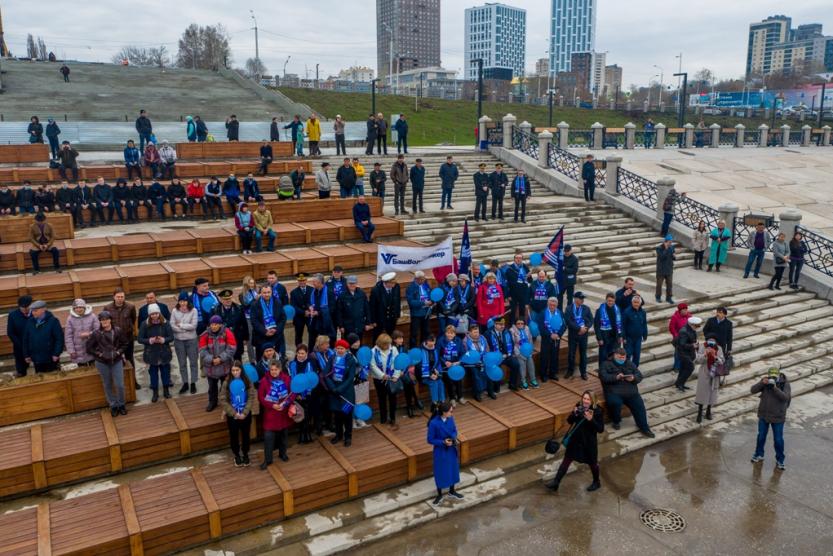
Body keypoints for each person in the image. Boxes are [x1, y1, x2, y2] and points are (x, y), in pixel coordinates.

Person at [546, 391, 605, 492]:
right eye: (584, 398)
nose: (585, 401)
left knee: (593, 463)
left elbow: (600, 429)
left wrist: (591, 419)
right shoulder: (579, 406)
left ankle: (596, 482)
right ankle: (556, 482)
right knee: (567, 459)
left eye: (588, 399)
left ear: (593, 400)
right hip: (576, 439)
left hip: (588, 442)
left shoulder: (598, 411)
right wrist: (574, 413)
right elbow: (570, 421)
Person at [600, 349, 654, 437]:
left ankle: (644, 428)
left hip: (631, 392)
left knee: (640, 406)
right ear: (615, 355)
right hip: (614, 391)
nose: (622, 359)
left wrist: (633, 378)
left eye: (623, 357)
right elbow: (603, 377)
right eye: (620, 357)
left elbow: (639, 375)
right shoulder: (605, 364)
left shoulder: (630, 363)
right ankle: (616, 421)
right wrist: (615, 377)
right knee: (614, 403)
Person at [87, 310, 129, 416]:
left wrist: (118, 352)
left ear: (110, 320)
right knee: (107, 385)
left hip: (116, 361)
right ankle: (113, 405)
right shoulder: (96, 333)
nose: (104, 321)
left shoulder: (118, 331)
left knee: (119, 385)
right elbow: (89, 348)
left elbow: (125, 344)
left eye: (106, 319)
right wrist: (100, 354)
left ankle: (122, 404)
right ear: (100, 321)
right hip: (102, 363)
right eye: (102, 320)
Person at [750, 367, 791, 470]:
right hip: (764, 415)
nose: (772, 378)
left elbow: (785, 398)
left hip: (778, 417)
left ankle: (780, 460)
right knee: (761, 436)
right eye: (770, 376)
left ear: (778, 375)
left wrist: (774, 388)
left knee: (778, 439)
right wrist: (762, 383)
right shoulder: (765, 381)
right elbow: (752, 390)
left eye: (774, 376)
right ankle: (759, 454)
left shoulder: (784, 383)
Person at [259, 360, 295, 466]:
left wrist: (285, 403)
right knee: (268, 437)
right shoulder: (264, 381)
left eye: (276, 369)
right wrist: (272, 405)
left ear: (280, 369)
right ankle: (268, 459)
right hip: (271, 414)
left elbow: (292, 393)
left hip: (283, 413)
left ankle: (282, 454)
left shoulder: (287, 379)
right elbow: (261, 397)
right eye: (272, 369)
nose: (274, 372)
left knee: (284, 435)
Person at [220, 361, 256, 466]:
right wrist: (233, 413)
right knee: (234, 435)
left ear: (241, 370)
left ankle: (245, 454)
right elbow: (223, 399)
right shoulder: (227, 382)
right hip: (233, 415)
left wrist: (245, 412)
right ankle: (236, 455)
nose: (235, 372)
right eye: (233, 370)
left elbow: (251, 397)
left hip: (245, 414)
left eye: (237, 370)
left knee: (245, 435)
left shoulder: (247, 381)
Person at [427, 401, 462, 504]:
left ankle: (452, 490)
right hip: (440, 450)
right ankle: (439, 494)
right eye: (450, 411)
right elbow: (430, 440)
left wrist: (453, 437)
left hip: (451, 448)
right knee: (440, 471)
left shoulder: (451, 418)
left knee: (452, 469)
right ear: (444, 412)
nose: (452, 413)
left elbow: (455, 430)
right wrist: (443, 442)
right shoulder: (434, 423)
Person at [137, 303, 174, 402]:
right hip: (151, 353)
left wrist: (163, 340)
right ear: (149, 315)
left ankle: (166, 391)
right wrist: (150, 340)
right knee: (153, 374)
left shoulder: (166, 323)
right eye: (152, 314)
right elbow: (139, 339)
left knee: (165, 373)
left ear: (159, 313)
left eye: (156, 313)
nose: (154, 316)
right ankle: (155, 393)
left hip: (164, 352)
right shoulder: (144, 324)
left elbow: (171, 337)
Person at [200, 315, 237, 412]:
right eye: (212, 324)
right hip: (211, 368)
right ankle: (212, 402)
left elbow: (232, 348)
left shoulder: (227, 333)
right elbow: (202, 351)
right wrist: (212, 359)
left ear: (220, 325)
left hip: (225, 367)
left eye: (216, 324)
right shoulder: (205, 335)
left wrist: (220, 359)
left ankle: (227, 402)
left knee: (226, 386)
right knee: (212, 387)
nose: (213, 326)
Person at [324, 339, 357, 446]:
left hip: (346, 393)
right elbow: (326, 374)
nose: (339, 350)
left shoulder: (351, 360)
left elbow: (350, 377)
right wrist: (333, 388)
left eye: (342, 348)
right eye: (338, 348)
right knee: (337, 415)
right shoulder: (332, 358)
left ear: (346, 349)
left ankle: (348, 437)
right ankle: (338, 435)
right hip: (334, 392)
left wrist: (340, 389)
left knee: (347, 415)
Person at [22, 300, 64, 373]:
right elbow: (26, 339)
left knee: (54, 379)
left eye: (35, 311)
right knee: (40, 379)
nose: (33, 313)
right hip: (36, 359)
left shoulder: (53, 321)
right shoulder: (30, 322)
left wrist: (56, 353)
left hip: (51, 358)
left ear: (43, 310)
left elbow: (59, 339)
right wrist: (26, 355)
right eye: (32, 311)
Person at [171, 292, 199, 395]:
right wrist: (185, 328)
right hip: (179, 341)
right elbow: (172, 325)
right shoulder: (174, 311)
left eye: (185, 301)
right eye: (181, 301)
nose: (183, 303)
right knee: (182, 363)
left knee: (193, 362)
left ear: (188, 301)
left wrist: (181, 326)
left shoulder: (194, 310)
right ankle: (185, 382)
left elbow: (194, 326)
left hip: (191, 340)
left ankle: (193, 383)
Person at [371, 333, 402, 426]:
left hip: (392, 378)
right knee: (382, 398)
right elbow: (372, 366)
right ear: (380, 343)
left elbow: (398, 362)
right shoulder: (373, 351)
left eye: (389, 344)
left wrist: (396, 376)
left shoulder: (394, 349)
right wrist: (382, 375)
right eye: (386, 344)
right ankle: (383, 418)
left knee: (393, 398)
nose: (388, 346)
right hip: (379, 379)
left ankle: (392, 418)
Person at [250, 284, 286, 360]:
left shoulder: (278, 302)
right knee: (261, 359)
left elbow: (283, 318)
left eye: (268, 292)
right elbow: (254, 321)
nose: (267, 294)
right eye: (264, 293)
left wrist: (276, 329)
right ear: (261, 293)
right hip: (261, 337)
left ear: (271, 292)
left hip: (275, 336)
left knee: (275, 359)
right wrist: (265, 331)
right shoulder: (255, 305)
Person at [695, 336, 724, 423]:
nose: (711, 342)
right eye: (710, 340)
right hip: (704, 373)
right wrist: (705, 354)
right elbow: (697, 360)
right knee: (702, 393)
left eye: (713, 340)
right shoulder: (702, 346)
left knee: (712, 393)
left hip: (715, 374)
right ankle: (699, 413)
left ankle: (708, 411)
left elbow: (722, 361)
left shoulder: (719, 348)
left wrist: (715, 356)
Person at [537, 296, 566, 382]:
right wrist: (550, 335)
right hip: (546, 338)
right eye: (551, 304)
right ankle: (543, 374)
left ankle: (552, 373)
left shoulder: (560, 313)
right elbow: (541, 327)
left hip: (557, 338)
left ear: (557, 305)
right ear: (548, 304)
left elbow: (564, 325)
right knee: (544, 357)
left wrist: (558, 334)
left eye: (554, 304)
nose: (552, 306)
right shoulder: (543, 313)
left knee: (554, 356)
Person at [565, 292, 593, 380]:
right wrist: (578, 329)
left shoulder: (586, 308)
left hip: (583, 335)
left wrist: (586, 328)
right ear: (575, 299)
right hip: (573, 334)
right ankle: (570, 371)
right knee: (571, 353)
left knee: (583, 354)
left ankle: (583, 372)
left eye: (583, 298)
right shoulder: (569, 309)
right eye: (581, 298)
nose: (582, 300)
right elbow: (568, 321)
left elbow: (591, 320)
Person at [486, 317, 519, 391]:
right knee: (496, 367)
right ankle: (496, 387)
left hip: (506, 355)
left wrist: (508, 354)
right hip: (495, 357)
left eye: (503, 324)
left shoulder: (507, 332)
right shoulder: (488, 333)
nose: (502, 326)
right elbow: (487, 348)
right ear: (495, 325)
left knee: (516, 364)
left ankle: (512, 384)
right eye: (500, 324)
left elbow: (512, 344)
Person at [64, 298, 99, 367]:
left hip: (92, 348)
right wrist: (71, 351)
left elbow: (98, 330)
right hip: (78, 351)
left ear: (84, 307)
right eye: (76, 308)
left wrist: (89, 334)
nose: (78, 309)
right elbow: (68, 336)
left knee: (94, 370)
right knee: (83, 370)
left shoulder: (92, 316)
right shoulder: (70, 319)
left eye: (80, 307)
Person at [308, 273, 337, 347]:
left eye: (314, 281)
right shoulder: (313, 292)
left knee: (325, 344)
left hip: (325, 323)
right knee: (312, 342)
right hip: (314, 322)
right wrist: (310, 307)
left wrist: (319, 313)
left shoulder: (329, 292)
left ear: (320, 282)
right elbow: (310, 303)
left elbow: (332, 308)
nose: (313, 283)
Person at [406, 270, 434, 348]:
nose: (423, 280)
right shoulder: (410, 287)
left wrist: (432, 301)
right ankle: (413, 349)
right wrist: (423, 303)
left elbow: (431, 295)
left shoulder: (426, 285)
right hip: (416, 314)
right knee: (414, 333)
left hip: (426, 313)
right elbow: (411, 302)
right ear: (416, 279)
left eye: (424, 278)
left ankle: (423, 348)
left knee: (426, 332)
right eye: (422, 279)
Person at [370, 272, 400, 341]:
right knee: (378, 338)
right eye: (392, 283)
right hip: (379, 319)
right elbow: (372, 307)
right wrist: (373, 321)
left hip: (392, 318)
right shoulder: (376, 290)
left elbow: (397, 301)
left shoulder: (396, 287)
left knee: (390, 337)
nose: (394, 285)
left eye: (394, 283)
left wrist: (397, 315)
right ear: (386, 282)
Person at [7, 296, 33, 377]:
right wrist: (22, 346)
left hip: (36, 345)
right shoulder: (13, 315)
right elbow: (10, 333)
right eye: (22, 307)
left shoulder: (36, 313)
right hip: (20, 347)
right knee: (21, 372)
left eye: (27, 307)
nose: (25, 309)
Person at [437, 325, 464, 403]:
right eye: (448, 333)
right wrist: (445, 362)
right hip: (445, 365)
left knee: (458, 378)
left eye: (452, 333)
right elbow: (438, 355)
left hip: (456, 363)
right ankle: (452, 398)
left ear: (455, 334)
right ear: (445, 333)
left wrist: (459, 361)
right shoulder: (440, 341)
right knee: (448, 380)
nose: (450, 335)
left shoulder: (458, 340)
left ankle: (460, 396)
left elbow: (462, 353)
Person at [594, 292, 623, 365]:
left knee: (614, 357)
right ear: (606, 300)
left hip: (615, 338)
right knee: (603, 357)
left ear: (614, 301)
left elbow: (620, 324)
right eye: (609, 301)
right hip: (604, 338)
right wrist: (599, 338)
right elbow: (596, 325)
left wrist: (620, 336)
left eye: (612, 301)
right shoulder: (600, 310)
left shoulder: (617, 309)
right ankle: (602, 373)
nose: (610, 302)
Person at [674, 316, 701, 392]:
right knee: (690, 368)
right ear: (691, 324)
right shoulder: (684, 331)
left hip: (689, 353)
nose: (697, 327)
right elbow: (682, 344)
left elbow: (693, 339)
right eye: (696, 326)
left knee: (683, 368)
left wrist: (696, 343)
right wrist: (693, 345)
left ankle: (679, 384)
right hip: (683, 353)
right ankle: (680, 383)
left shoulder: (692, 330)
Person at [418, 335, 445, 410]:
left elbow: (438, 363)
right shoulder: (420, 350)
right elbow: (419, 366)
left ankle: (441, 402)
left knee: (440, 382)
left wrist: (438, 373)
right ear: (426, 341)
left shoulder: (436, 349)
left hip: (434, 373)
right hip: (423, 375)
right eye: (430, 341)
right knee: (434, 383)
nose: (432, 343)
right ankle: (435, 404)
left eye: (434, 341)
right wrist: (430, 375)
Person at [509, 318, 537, 389]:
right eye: (518, 323)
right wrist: (519, 354)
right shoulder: (512, 331)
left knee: (531, 363)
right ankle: (523, 381)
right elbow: (513, 344)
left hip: (527, 351)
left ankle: (533, 379)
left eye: (522, 323)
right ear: (515, 324)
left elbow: (530, 340)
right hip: (518, 352)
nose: (520, 325)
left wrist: (530, 351)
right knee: (522, 364)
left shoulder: (527, 328)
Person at [504, 252, 530, 323]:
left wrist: (529, 276)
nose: (518, 259)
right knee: (513, 310)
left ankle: (522, 325)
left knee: (522, 310)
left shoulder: (525, 267)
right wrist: (508, 295)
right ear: (514, 259)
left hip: (523, 293)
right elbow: (506, 283)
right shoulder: (510, 269)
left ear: (522, 259)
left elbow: (530, 280)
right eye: (517, 258)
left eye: (520, 258)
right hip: (513, 293)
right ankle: (512, 325)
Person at [622, 295, 648, 366]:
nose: (636, 304)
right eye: (634, 302)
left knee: (637, 355)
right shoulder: (626, 312)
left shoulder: (643, 312)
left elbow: (644, 324)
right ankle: (626, 369)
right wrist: (623, 337)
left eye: (637, 302)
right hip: (628, 338)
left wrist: (645, 334)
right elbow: (623, 325)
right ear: (632, 302)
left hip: (638, 338)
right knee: (628, 354)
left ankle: (634, 370)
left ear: (640, 303)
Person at [668, 302, 689, 372]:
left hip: (687, 338)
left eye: (686, 309)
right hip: (678, 339)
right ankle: (676, 367)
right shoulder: (675, 317)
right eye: (684, 310)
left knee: (686, 353)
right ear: (680, 310)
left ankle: (684, 366)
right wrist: (676, 335)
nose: (686, 311)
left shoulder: (689, 316)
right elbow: (671, 328)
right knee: (678, 353)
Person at [655, 234, 676, 304]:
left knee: (669, 284)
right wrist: (666, 249)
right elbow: (661, 257)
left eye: (671, 242)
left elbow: (673, 257)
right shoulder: (659, 248)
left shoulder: (672, 247)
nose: (670, 243)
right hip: (661, 270)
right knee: (659, 284)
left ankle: (669, 297)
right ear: (666, 242)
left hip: (669, 269)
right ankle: (658, 297)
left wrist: (674, 256)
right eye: (669, 242)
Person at [559, 245, 579, 309]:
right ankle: (560, 310)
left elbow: (574, 270)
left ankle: (569, 311)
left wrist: (565, 269)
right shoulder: (561, 257)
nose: (566, 253)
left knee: (570, 298)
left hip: (570, 282)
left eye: (568, 251)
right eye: (565, 251)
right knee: (559, 296)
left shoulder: (574, 259)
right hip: (562, 281)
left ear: (571, 250)